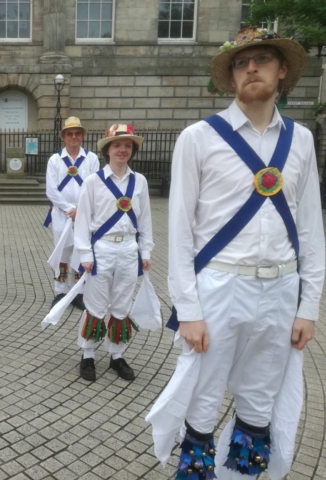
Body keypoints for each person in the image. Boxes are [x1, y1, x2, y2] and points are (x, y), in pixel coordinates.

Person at [147, 27, 325, 480]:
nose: (252, 68)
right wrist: (188, 309)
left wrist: (308, 306)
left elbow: (311, 228)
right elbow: (181, 229)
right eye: (242, 62)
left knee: (259, 403)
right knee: (203, 401)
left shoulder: (301, 140)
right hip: (220, 288)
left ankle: (242, 477)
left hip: (283, 289)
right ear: (231, 76)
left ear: (281, 70)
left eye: (263, 58)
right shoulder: (198, 137)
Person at [73, 124, 153, 382]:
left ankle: (117, 356)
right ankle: (87, 355)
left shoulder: (140, 181)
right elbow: (83, 221)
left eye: (128, 145)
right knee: (95, 304)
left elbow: (146, 220)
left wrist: (146, 250)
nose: (122, 150)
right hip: (102, 249)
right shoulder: (92, 182)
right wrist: (85, 253)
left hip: (129, 248)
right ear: (107, 149)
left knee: (121, 304)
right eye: (117, 145)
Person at [45, 117, 100, 310]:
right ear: (64, 137)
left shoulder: (91, 159)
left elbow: (96, 187)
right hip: (62, 215)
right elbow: (51, 191)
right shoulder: (55, 160)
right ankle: (60, 291)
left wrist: (82, 210)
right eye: (70, 133)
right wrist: (70, 209)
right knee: (63, 254)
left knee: (82, 251)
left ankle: (78, 292)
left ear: (82, 136)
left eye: (77, 133)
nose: (74, 137)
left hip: (85, 215)